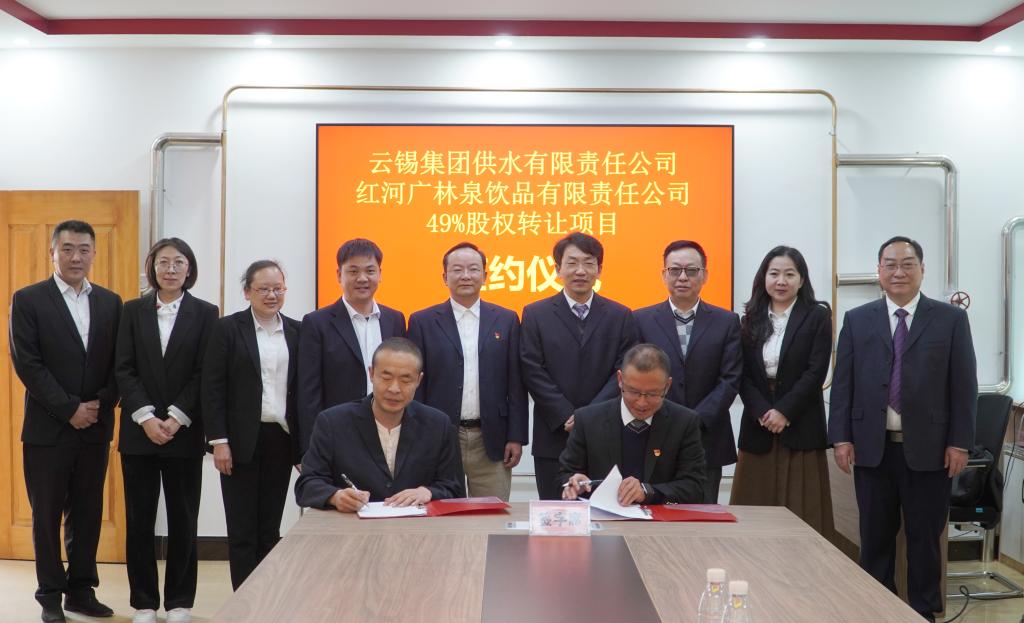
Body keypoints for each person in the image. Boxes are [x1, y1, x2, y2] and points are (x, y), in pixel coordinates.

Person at [828, 236, 976, 622]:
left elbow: (964, 386)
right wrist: (841, 437)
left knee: (924, 540)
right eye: (890, 264)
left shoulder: (950, 320)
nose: (899, 272)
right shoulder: (857, 320)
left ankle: (923, 613)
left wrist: (960, 443)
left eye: (907, 264)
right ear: (879, 271)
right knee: (875, 539)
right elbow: (843, 384)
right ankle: (876, 610)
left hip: (931, 450)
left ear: (922, 269)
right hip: (872, 448)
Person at [9, 220, 122, 622]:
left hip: (95, 427)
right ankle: (51, 596)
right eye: (68, 249)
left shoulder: (111, 302)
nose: (76, 257)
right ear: (52, 253)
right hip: (48, 429)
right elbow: (28, 363)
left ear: (94, 253)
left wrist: (100, 405)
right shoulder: (28, 300)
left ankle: (81, 591)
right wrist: (70, 408)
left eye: (84, 249)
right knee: (46, 516)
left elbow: (120, 364)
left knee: (88, 513)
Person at [115, 238, 218, 623]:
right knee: (139, 520)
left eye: (178, 262)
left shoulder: (206, 313)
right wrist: (146, 417)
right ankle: (143, 603)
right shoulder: (132, 310)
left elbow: (205, 371)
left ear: (189, 268)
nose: (171, 269)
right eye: (163, 262)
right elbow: (123, 368)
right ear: (152, 267)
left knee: (183, 520)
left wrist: (176, 417)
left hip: (184, 432)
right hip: (139, 433)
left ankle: (179, 603)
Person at [202, 260, 301, 590]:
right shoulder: (227, 329)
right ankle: (243, 602)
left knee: (269, 529)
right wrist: (219, 440)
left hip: (280, 439)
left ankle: (266, 599)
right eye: (264, 289)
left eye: (278, 289)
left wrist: (303, 447)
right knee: (242, 530)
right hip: (239, 440)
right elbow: (212, 387)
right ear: (247, 292)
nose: (272, 295)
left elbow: (302, 392)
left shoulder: (298, 331)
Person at [521, 232, 637, 500]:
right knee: (554, 512)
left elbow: (623, 370)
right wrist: (564, 414)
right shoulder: (535, 314)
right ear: (557, 269)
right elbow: (531, 368)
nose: (580, 271)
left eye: (588, 263)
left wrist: (589, 416)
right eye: (572, 263)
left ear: (599, 269)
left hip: (606, 431)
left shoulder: (620, 315)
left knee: (607, 509)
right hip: (554, 433)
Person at [408, 242, 528, 501]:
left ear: (485, 276)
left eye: (473, 269)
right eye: (457, 270)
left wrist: (516, 436)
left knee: (491, 514)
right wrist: (417, 436)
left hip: (492, 439)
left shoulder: (506, 319)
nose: (465, 276)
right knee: (439, 512)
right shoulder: (422, 321)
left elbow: (516, 383)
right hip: (439, 436)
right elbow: (416, 386)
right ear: (445, 277)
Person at [730, 246, 834, 538]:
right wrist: (763, 412)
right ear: (763, 278)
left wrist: (785, 411)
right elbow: (742, 374)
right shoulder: (749, 318)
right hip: (759, 423)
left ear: (802, 280)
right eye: (774, 273)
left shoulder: (817, 316)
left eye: (790, 274)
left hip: (801, 421)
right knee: (754, 508)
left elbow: (815, 372)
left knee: (803, 508)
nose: (781, 281)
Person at [295, 337, 465, 510]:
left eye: (405, 380)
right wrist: (335, 496)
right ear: (371, 374)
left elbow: (455, 488)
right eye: (386, 377)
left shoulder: (438, 425)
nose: (394, 389)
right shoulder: (333, 422)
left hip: (418, 524)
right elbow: (307, 484)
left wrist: (428, 492)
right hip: (352, 522)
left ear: (419, 381)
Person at [633, 240, 741, 503]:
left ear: (704, 275)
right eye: (675, 270)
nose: (683, 277)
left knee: (703, 514)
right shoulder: (640, 319)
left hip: (707, 435)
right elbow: (636, 376)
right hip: (653, 431)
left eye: (691, 270)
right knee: (652, 510)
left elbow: (730, 378)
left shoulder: (727, 321)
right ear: (664, 274)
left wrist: (694, 419)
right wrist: (666, 415)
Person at [297, 238, 405, 456]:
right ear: (339, 275)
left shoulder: (394, 319)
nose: (362, 278)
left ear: (380, 274)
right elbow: (308, 393)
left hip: (390, 429)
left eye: (370, 271)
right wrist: (311, 447)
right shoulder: (317, 323)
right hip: (338, 433)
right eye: (353, 271)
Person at [560, 343, 705, 504]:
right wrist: (574, 483)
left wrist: (648, 491)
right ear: (620, 380)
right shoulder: (587, 420)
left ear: (667, 386)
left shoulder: (684, 422)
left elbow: (694, 487)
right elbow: (564, 476)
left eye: (652, 394)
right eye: (634, 392)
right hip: (602, 516)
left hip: (660, 518)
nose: (642, 403)